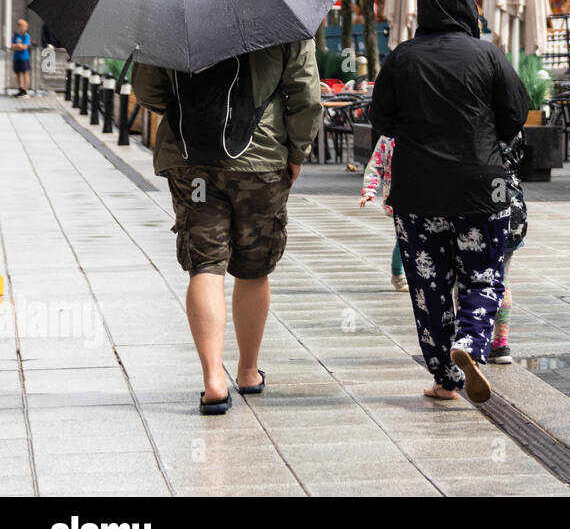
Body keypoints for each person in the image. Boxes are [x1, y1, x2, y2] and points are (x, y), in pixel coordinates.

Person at [133, 41, 321, 414]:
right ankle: (248, 372)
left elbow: (147, 91)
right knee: (254, 267)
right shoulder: (281, 17)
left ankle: (212, 381)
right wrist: (298, 152)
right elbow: (305, 92)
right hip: (261, 159)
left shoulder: (172, 15)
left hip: (191, 159)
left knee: (206, 265)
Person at [370, 0, 528, 404]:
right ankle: (472, 343)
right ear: (468, 9)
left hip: (417, 189)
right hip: (482, 185)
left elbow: (380, 120)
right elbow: (516, 113)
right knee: (484, 274)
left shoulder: (402, 58)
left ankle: (444, 379)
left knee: (428, 286)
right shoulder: (488, 55)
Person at [488, 131, 527, 364]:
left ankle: (470, 339)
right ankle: (501, 345)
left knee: (467, 278)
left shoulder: (481, 123)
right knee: (503, 281)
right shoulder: (515, 127)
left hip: (487, 200)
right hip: (514, 207)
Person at [359, 135, 408, 291]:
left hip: (426, 196)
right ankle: (398, 275)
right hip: (400, 197)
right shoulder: (388, 139)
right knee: (403, 237)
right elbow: (375, 166)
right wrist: (369, 190)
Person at [9, 18, 31, 96]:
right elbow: (11, 46)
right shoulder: (15, 36)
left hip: (24, 58)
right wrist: (18, 46)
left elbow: (25, 47)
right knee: (18, 73)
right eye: (22, 26)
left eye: (25, 26)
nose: (23, 28)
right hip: (16, 57)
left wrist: (18, 46)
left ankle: (25, 89)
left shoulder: (26, 36)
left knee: (25, 73)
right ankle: (20, 88)